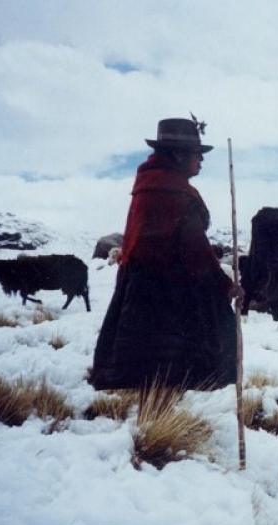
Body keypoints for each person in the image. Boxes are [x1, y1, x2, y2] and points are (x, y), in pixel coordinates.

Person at [90, 117, 239, 391]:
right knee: (213, 339)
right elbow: (193, 252)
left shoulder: (147, 185)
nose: (201, 162)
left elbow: (163, 237)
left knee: (139, 355)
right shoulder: (175, 192)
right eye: (197, 155)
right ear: (178, 155)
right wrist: (225, 285)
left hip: (138, 284)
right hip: (170, 288)